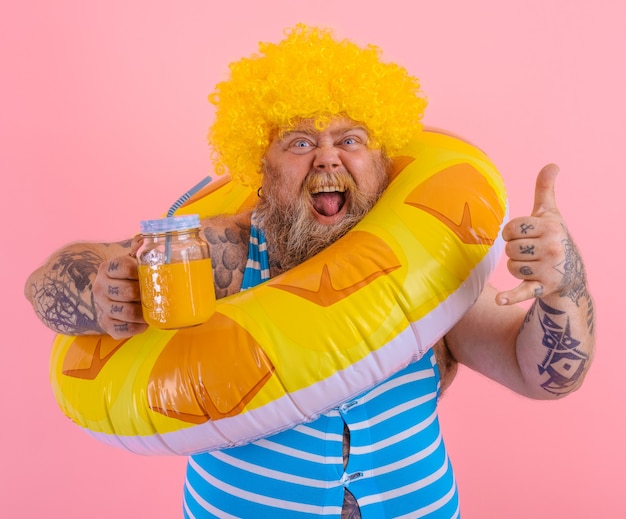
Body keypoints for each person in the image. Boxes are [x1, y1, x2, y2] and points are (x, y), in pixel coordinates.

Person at [25, 24, 595, 518]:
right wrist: (97, 290)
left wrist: (564, 286)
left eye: (350, 140)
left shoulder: (428, 268)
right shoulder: (217, 256)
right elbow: (49, 285)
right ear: (258, 166)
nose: (327, 158)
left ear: (380, 160)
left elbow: (544, 377)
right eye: (299, 142)